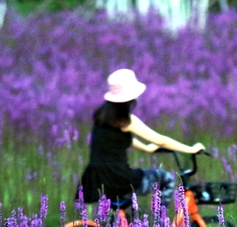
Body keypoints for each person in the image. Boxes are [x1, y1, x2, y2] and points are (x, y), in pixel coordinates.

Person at [76, 68, 205, 210]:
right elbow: (161, 140)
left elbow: (116, 140)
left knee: (127, 211)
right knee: (166, 179)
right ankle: (160, 226)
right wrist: (191, 149)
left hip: (96, 178)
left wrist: (145, 148)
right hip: (119, 179)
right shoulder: (127, 120)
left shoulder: (102, 115)